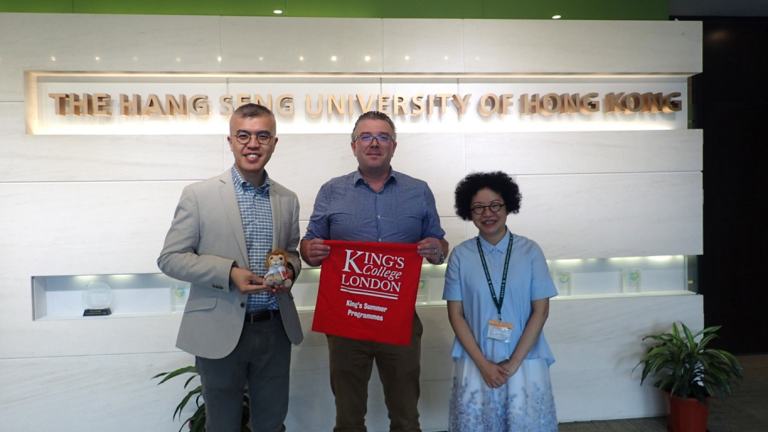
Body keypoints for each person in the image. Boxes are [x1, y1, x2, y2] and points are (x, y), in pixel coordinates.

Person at [157, 103, 303, 432]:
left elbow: (291, 253)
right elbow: (170, 257)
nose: (253, 144)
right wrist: (229, 272)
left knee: (271, 423)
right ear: (231, 141)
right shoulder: (199, 195)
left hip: (274, 329)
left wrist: (291, 271)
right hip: (218, 326)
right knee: (222, 425)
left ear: (274, 143)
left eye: (262, 136)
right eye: (244, 135)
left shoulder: (287, 199)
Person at [301, 111, 448, 432]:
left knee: (406, 417)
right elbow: (309, 244)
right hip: (345, 323)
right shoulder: (331, 191)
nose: (374, 143)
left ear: (394, 146)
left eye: (382, 137)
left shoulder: (419, 191)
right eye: (366, 136)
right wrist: (308, 251)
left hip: (399, 320)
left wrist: (436, 249)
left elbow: (440, 245)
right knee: (349, 418)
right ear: (354, 146)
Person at [442, 171, 558, 432]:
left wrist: (512, 364)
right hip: (476, 359)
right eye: (478, 208)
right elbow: (455, 314)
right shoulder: (460, 255)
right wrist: (484, 366)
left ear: (508, 206)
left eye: (495, 205)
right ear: (468, 212)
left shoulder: (530, 251)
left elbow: (541, 311)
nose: (487, 213)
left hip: (525, 358)